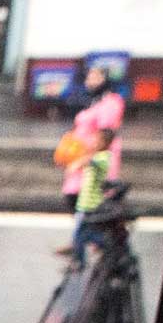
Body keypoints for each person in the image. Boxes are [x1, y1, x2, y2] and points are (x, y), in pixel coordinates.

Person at [56, 63, 124, 251]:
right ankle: (83, 237)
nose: (90, 81)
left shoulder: (111, 102)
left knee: (87, 199)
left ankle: (90, 238)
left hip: (95, 159)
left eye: (95, 77)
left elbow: (105, 135)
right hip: (84, 156)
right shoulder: (94, 101)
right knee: (77, 197)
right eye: (89, 77)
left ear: (105, 79)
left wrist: (85, 159)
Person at [68, 127, 115, 264]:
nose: (93, 142)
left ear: (104, 142)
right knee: (81, 233)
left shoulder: (103, 158)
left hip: (91, 204)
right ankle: (81, 259)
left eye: (97, 140)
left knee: (80, 234)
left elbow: (87, 162)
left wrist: (76, 163)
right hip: (85, 202)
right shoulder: (97, 156)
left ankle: (81, 260)